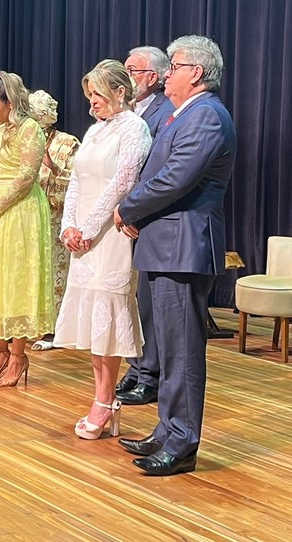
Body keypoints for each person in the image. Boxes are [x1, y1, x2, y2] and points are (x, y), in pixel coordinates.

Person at [114, 35, 237, 476]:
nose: (168, 73)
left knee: (182, 351)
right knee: (166, 348)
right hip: (163, 245)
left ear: (197, 73)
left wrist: (127, 208)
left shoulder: (206, 117)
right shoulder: (181, 115)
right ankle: (167, 430)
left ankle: (183, 443)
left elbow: (174, 179)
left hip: (183, 248)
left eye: (176, 65)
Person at [53, 61, 152, 438]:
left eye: (97, 94)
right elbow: (78, 181)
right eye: (89, 96)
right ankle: (100, 396)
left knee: (108, 318)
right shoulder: (95, 130)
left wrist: (91, 229)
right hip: (84, 237)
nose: (92, 103)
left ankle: (106, 400)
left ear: (120, 92)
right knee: (91, 318)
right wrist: (69, 227)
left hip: (111, 235)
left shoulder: (135, 128)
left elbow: (122, 184)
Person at [0, 72, 55, 387]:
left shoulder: (30, 129)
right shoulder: (0, 129)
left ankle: (18, 355)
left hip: (20, 212)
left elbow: (27, 176)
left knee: (16, 282)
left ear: (11, 102)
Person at [117, 45, 176, 406]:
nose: (125, 78)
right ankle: (136, 367)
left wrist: (133, 213)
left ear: (151, 77)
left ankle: (150, 374)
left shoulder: (165, 112)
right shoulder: (128, 110)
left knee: (148, 305)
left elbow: (153, 171)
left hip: (145, 220)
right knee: (129, 299)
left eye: (131, 70)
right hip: (124, 218)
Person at [27, 90, 81, 351]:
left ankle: (55, 330)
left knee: (56, 274)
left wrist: (53, 167)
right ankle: (29, 324)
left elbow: (78, 181)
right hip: (27, 218)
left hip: (56, 218)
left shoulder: (68, 143)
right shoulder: (24, 140)